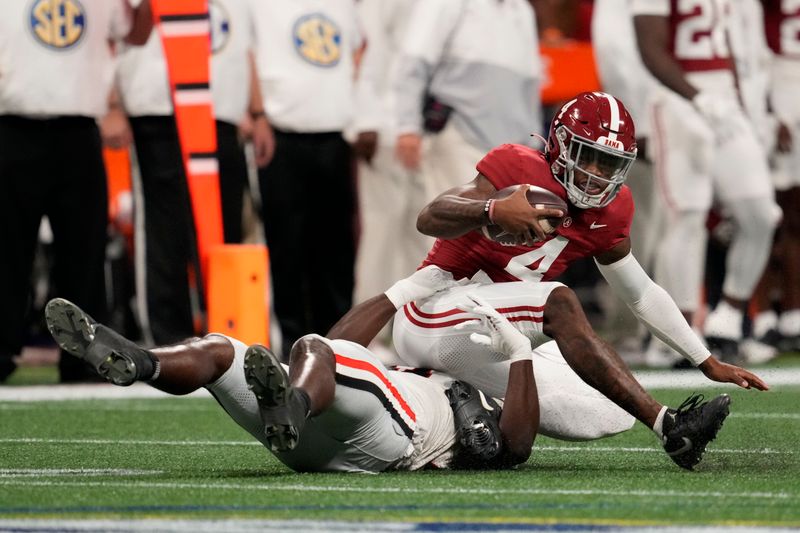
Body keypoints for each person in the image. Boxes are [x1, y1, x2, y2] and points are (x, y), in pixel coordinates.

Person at [382, 92, 768, 468]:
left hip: (497, 334)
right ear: (562, 145)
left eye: (610, 163)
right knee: (559, 301)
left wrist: (705, 359)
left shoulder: (610, 212)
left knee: (609, 412)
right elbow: (429, 217)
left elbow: (642, 293)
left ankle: (447, 393)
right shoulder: (517, 168)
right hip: (434, 312)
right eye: (592, 157)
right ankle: (671, 427)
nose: (598, 175)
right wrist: (493, 208)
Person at [44, 265, 736, 471]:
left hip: (396, 435)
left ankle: (289, 402)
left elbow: (517, 445)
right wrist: (413, 287)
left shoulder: (491, 407)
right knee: (225, 348)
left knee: (323, 348)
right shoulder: (430, 363)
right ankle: (142, 359)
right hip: (331, 425)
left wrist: (521, 355)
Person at [0, 0, 152, 383]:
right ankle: (1, 351)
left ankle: (84, 357)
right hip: (11, 123)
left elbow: (136, 32)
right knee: (6, 249)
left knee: (84, 251)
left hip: (81, 126)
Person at [632, 0, 782, 362]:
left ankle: (727, 320)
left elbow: (747, 51)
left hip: (729, 102)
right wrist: (697, 97)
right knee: (687, 217)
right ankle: (680, 334)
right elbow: (650, 49)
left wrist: (760, 112)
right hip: (677, 100)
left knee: (762, 215)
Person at [115, 0, 272, 345]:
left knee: (224, 229)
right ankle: (169, 338)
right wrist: (113, 104)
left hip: (222, 114)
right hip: (161, 108)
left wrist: (257, 112)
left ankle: (224, 332)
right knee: (164, 229)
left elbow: (243, 47)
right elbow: (123, 33)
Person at [248, 0, 363, 359]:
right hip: (282, 133)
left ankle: (340, 345)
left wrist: (352, 102)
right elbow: (245, 54)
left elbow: (360, 46)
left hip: (334, 133)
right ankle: (292, 344)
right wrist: (257, 114)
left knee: (336, 248)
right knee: (287, 245)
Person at [391, 0, 543, 202]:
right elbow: (415, 63)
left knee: (499, 230)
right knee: (451, 225)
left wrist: (533, 147)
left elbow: (530, 85)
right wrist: (407, 127)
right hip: (458, 136)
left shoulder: (522, 10)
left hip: (510, 149)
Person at [351, 0, 434, 331]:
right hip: (387, 129)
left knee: (422, 238)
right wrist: (366, 119)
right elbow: (368, 51)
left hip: (420, 128)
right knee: (381, 236)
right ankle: (364, 334)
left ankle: (416, 326)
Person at [749, 1, 800, 355]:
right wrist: (766, 109)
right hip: (771, 95)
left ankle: (794, 314)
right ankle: (762, 315)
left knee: (795, 219)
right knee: (763, 217)